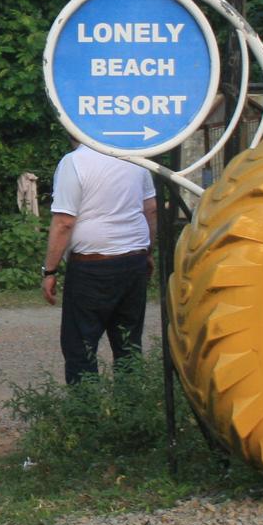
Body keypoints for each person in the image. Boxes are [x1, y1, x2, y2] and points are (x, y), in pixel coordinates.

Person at [40, 141, 158, 384]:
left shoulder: (74, 162)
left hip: (91, 267)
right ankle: (132, 409)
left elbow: (64, 222)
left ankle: (86, 414)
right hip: (133, 261)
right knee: (128, 342)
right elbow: (151, 209)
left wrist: (50, 271)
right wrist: (148, 251)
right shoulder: (134, 156)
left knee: (80, 345)